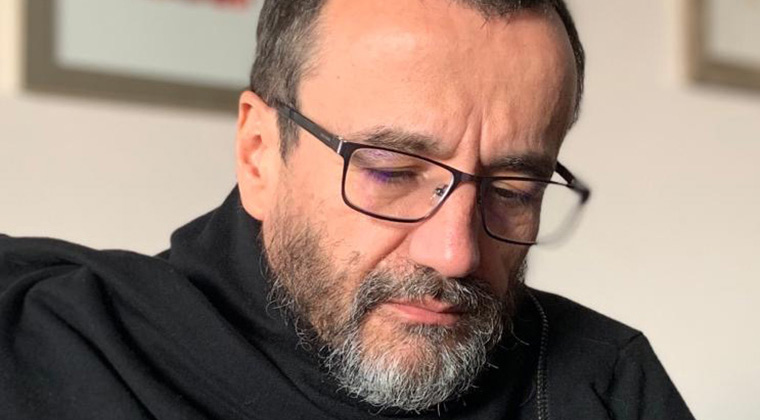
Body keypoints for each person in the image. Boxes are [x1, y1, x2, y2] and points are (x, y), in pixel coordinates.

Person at [0, 0, 694, 419]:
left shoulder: (601, 385)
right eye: (392, 172)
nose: (454, 253)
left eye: (513, 190)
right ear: (259, 154)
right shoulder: (46, 347)